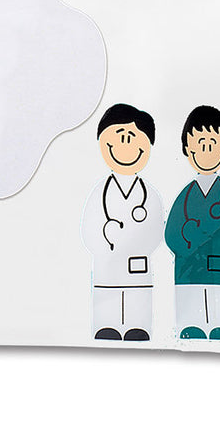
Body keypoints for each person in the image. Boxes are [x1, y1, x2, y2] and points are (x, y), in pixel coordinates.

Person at [81, 103, 164, 341]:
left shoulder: (150, 194)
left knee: (137, 298)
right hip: (107, 263)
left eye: (134, 137)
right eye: (119, 135)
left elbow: (157, 229)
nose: (126, 142)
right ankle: (106, 326)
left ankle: (139, 327)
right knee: (108, 300)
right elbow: (88, 230)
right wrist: (106, 242)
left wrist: (139, 245)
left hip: (138, 263)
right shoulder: (99, 192)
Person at [164, 105, 220, 341]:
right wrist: (189, 245)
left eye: (213, 143)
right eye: (200, 143)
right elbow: (171, 234)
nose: (206, 149)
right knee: (192, 304)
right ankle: (191, 326)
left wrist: (215, 247)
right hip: (189, 267)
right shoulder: (186, 195)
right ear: (187, 148)